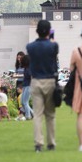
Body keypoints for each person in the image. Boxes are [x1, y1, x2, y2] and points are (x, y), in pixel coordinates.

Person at [26, 20, 59, 152]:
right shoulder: (53, 46)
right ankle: (51, 143)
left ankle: (38, 144)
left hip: (36, 81)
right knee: (50, 115)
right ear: (49, 31)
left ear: (37, 31)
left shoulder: (30, 47)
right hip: (50, 81)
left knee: (38, 114)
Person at [20, 55, 34, 120]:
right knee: (23, 102)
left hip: (29, 86)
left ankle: (28, 116)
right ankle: (33, 114)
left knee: (25, 102)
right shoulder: (26, 68)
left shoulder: (29, 68)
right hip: (25, 85)